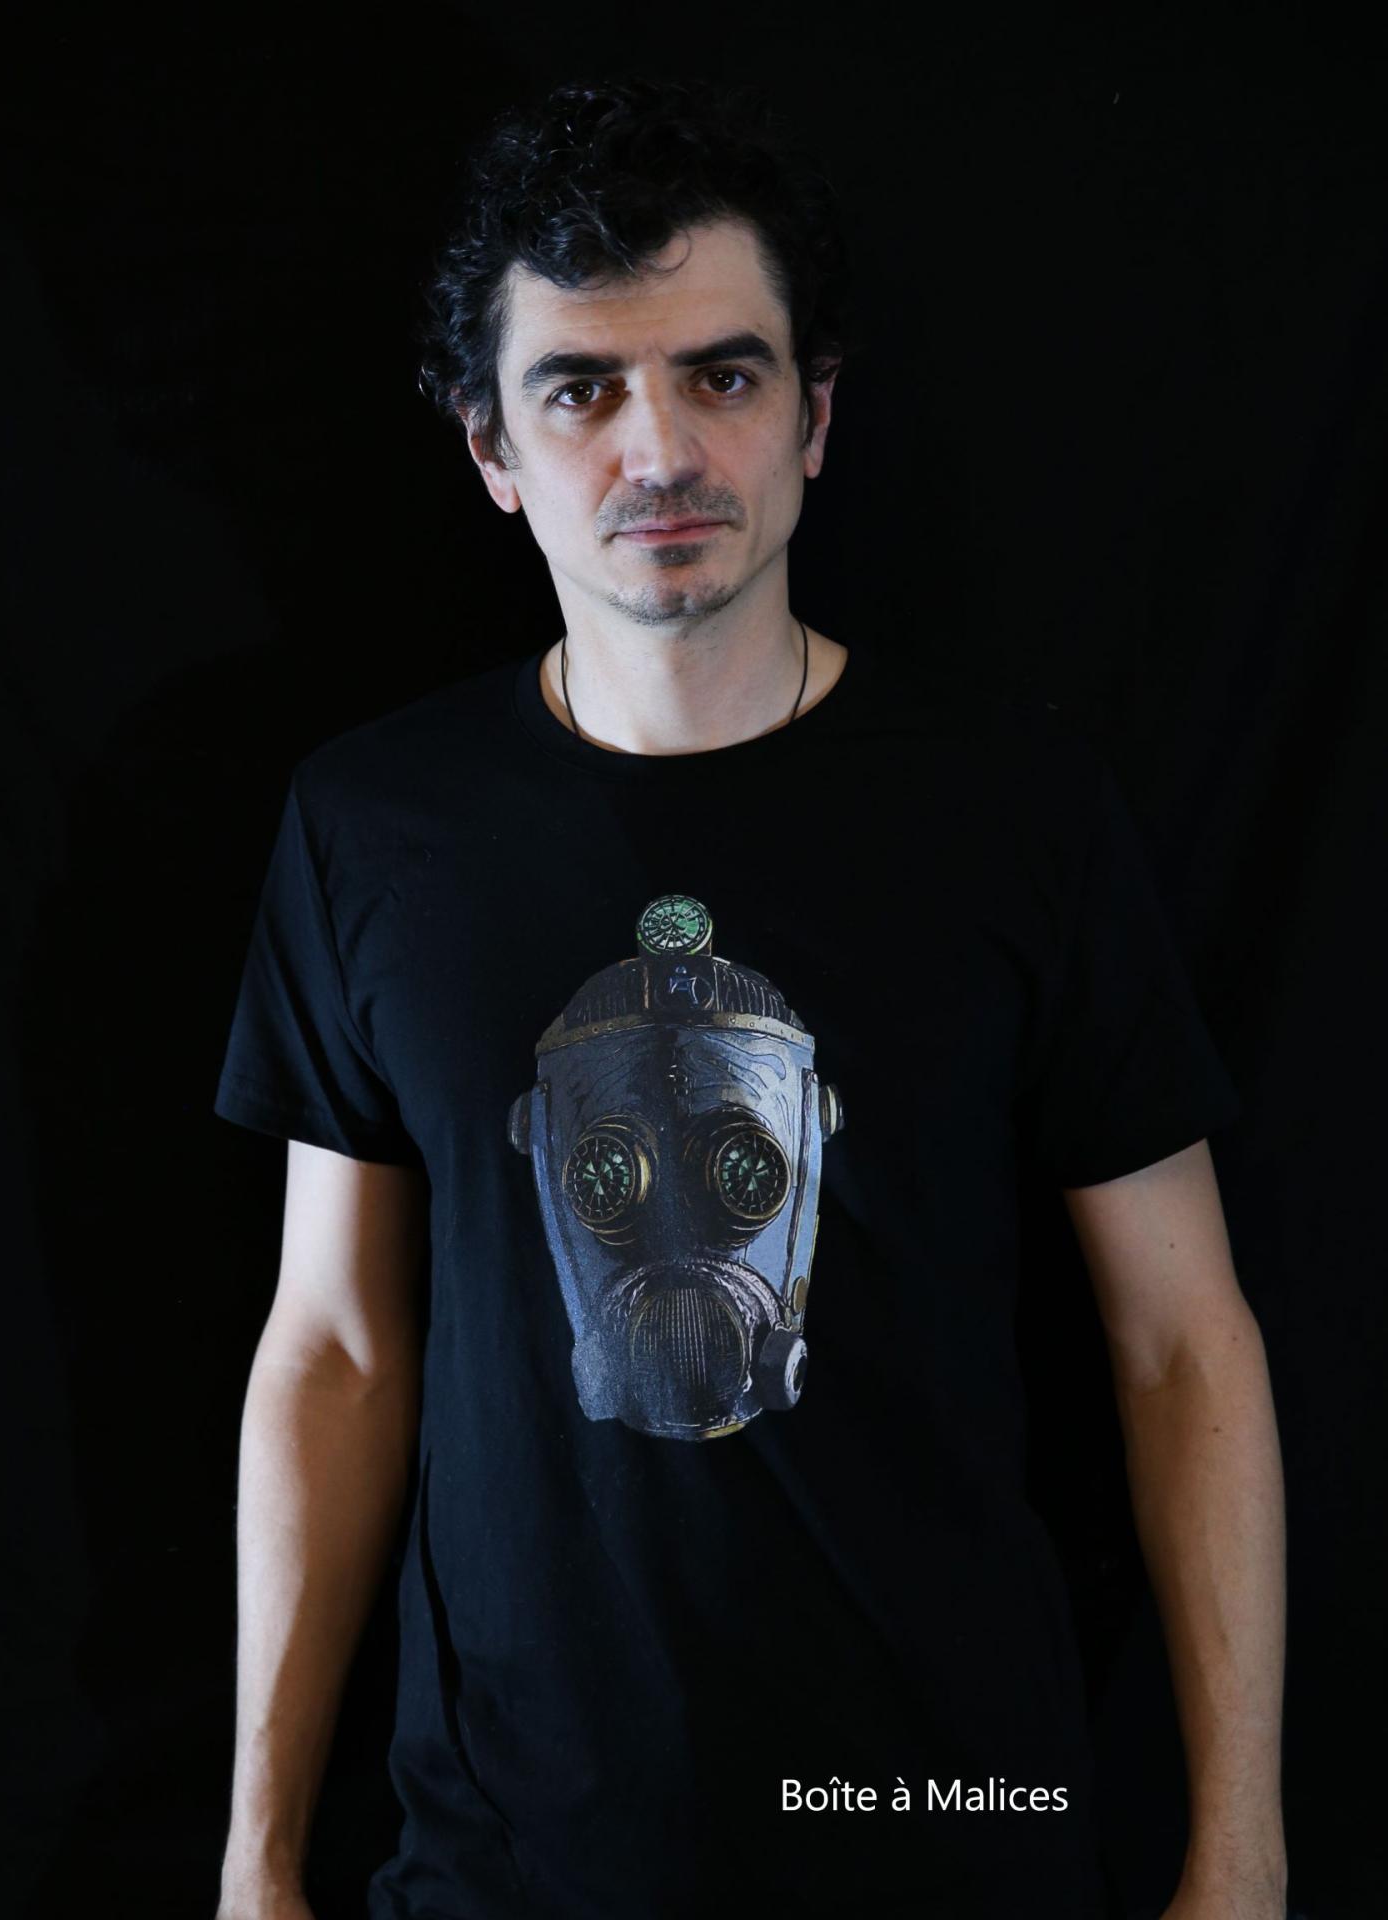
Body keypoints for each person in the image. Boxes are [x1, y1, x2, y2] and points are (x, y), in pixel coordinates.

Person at [211, 74, 1287, 1920]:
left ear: (815, 416)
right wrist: (258, 1860)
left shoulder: (1014, 816)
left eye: (722, 374)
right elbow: (337, 1347)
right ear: (490, 449)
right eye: (580, 390)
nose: (660, 452)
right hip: (508, 1864)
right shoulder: (374, 829)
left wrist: (1239, 1855)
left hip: (944, 1833)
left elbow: (1183, 1342)